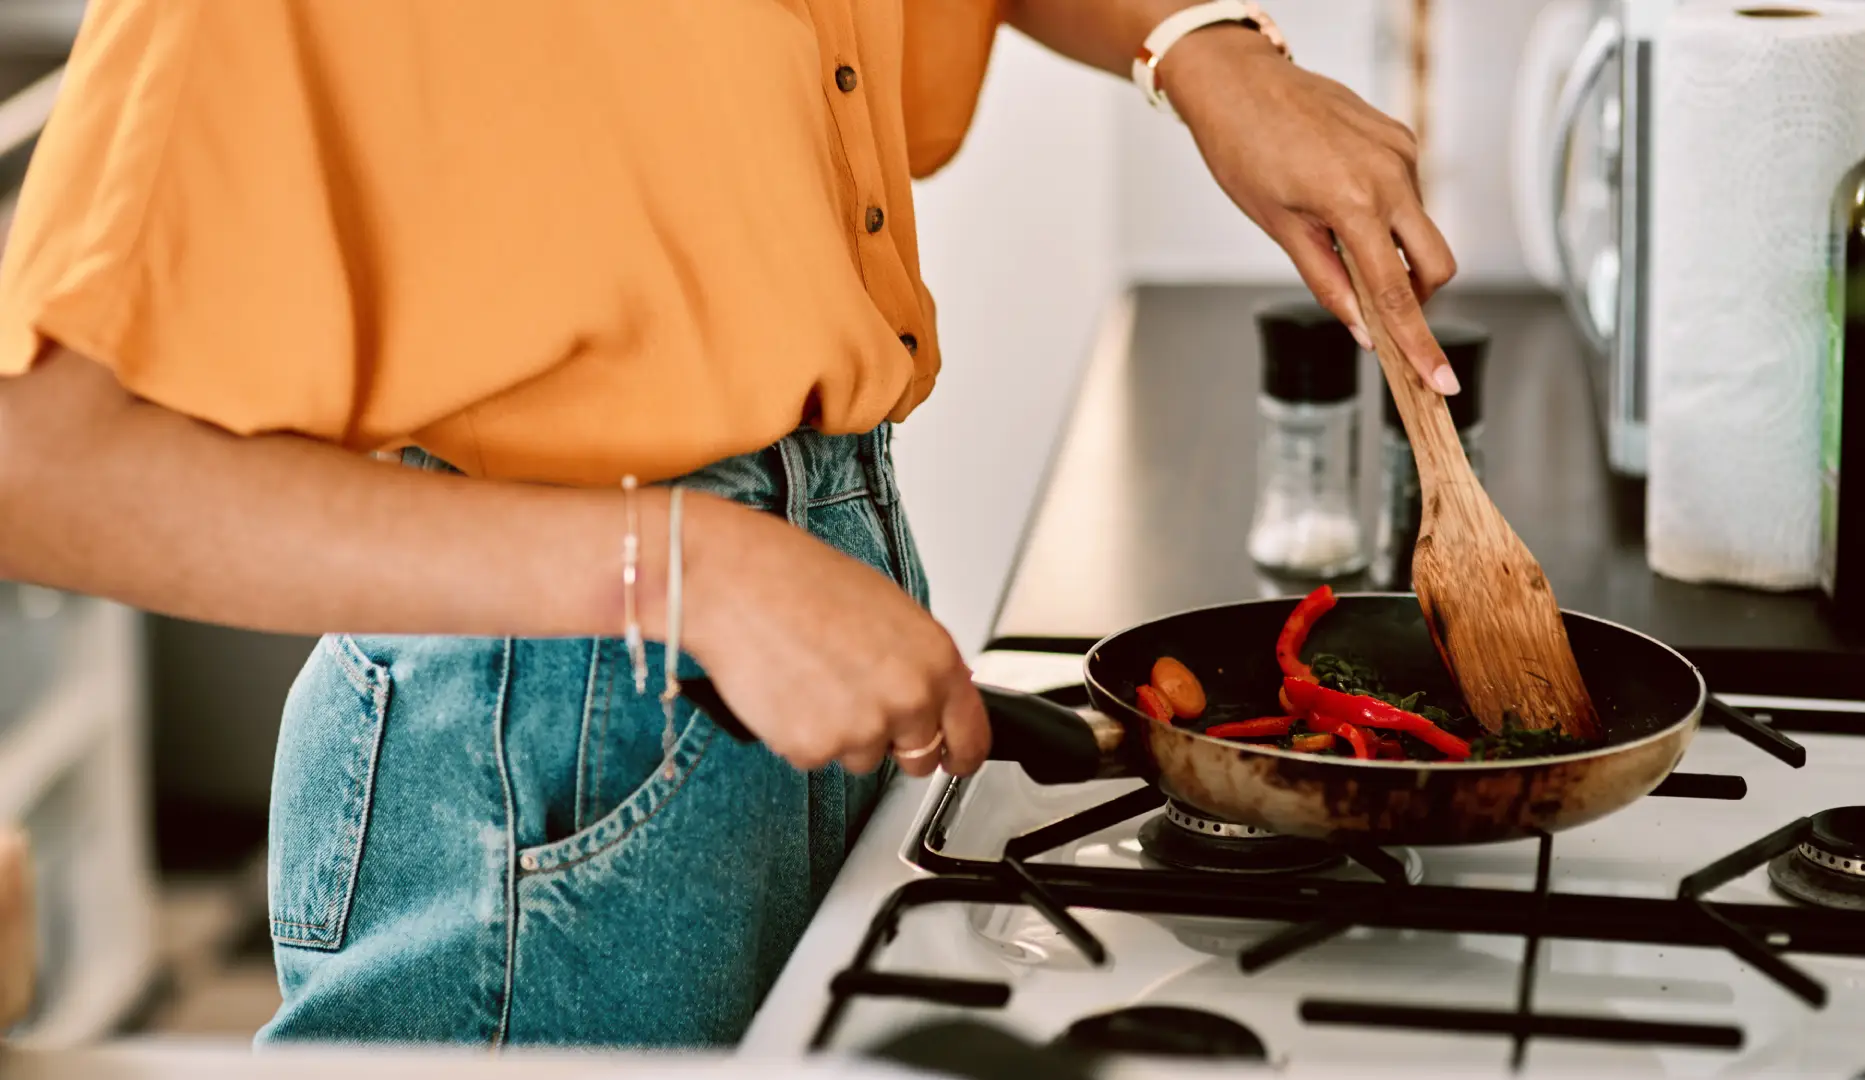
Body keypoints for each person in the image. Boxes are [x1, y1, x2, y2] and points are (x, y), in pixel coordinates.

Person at [0, 0, 1457, 1050]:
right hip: (556, 723)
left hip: (801, 599)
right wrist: (688, 571)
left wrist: (1189, 44)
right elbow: (38, 468)